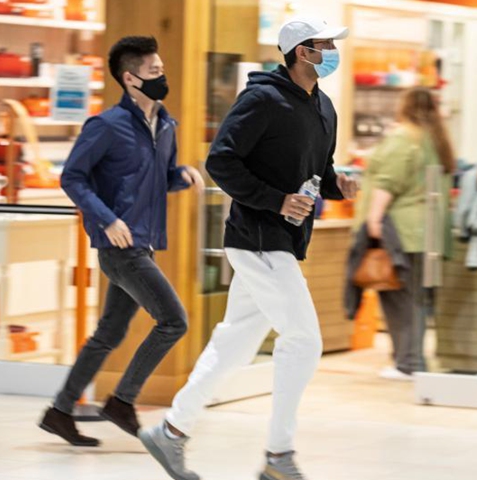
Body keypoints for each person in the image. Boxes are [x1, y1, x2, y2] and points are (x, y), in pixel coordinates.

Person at [139, 17, 356, 480]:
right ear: (302, 51)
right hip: (258, 240)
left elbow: (319, 171)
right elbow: (221, 160)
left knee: (234, 346)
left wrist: (339, 184)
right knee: (304, 340)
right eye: (327, 44)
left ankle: (172, 431)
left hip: (287, 241)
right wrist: (277, 201)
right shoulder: (262, 99)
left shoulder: (324, 107)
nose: (333, 51)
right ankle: (278, 456)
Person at [38, 36, 205, 447]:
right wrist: (106, 218)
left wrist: (181, 175)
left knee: (109, 334)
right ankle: (121, 402)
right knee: (173, 321)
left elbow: (159, 178)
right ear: (130, 79)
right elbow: (72, 177)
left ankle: (59, 412)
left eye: (162, 70)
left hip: (144, 241)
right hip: (119, 246)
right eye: (153, 72)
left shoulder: (166, 125)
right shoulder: (106, 126)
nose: (161, 78)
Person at [354, 87, 456, 381]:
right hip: (432, 231)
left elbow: (388, 182)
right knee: (419, 299)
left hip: (404, 230)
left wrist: (373, 219)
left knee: (399, 298)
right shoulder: (437, 139)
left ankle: (407, 363)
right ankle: (413, 359)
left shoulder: (404, 137)